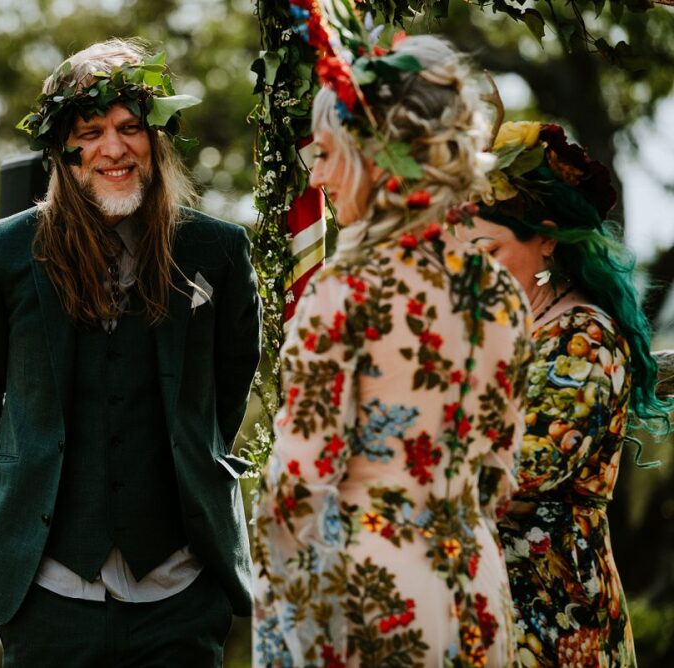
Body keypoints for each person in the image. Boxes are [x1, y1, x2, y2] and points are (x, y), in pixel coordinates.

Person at [0, 39, 261, 667]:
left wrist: (186, 460)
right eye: (90, 132)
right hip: (48, 597)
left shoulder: (218, 251)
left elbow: (228, 388)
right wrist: (20, 498)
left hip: (180, 590)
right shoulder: (3, 252)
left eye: (129, 128)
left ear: (158, 137)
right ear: (62, 149)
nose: (113, 149)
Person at [251, 27, 534, 668]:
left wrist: (285, 635)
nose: (317, 175)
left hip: (370, 603)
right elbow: (497, 475)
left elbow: (296, 491)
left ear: (377, 158)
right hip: (477, 598)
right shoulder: (499, 292)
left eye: (326, 153)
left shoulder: (345, 291)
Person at [464, 121, 674, 667]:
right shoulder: (505, 332)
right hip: (486, 607)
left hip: (555, 617)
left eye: (487, 250)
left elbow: (525, 467)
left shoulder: (583, 336)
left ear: (549, 238)